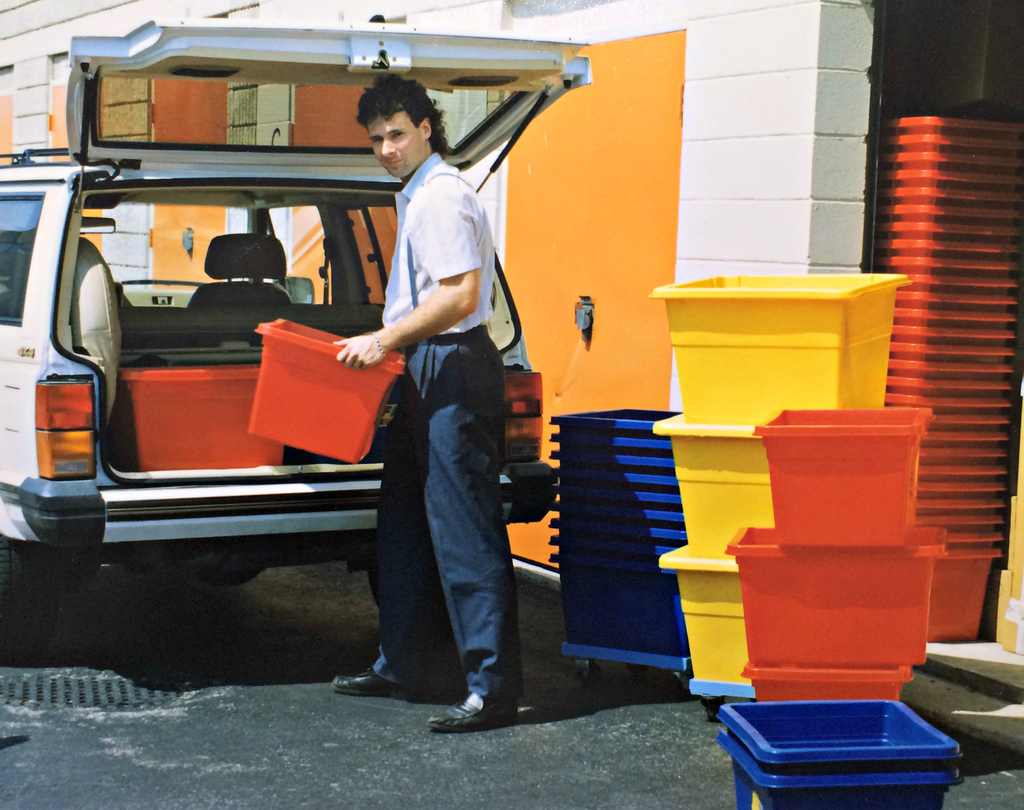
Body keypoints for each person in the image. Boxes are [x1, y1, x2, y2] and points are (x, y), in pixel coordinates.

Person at [331, 75, 523, 733]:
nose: (386, 148)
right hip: (425, 367)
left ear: (426, 129)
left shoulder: (440, 199)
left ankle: (492, 687)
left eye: (397, 133)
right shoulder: (418, 195)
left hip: (453, 368)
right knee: (405, 525)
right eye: (377, 139)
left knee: (462, 530)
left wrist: (382, 339)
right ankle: (402, 663)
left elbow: (460, 296)